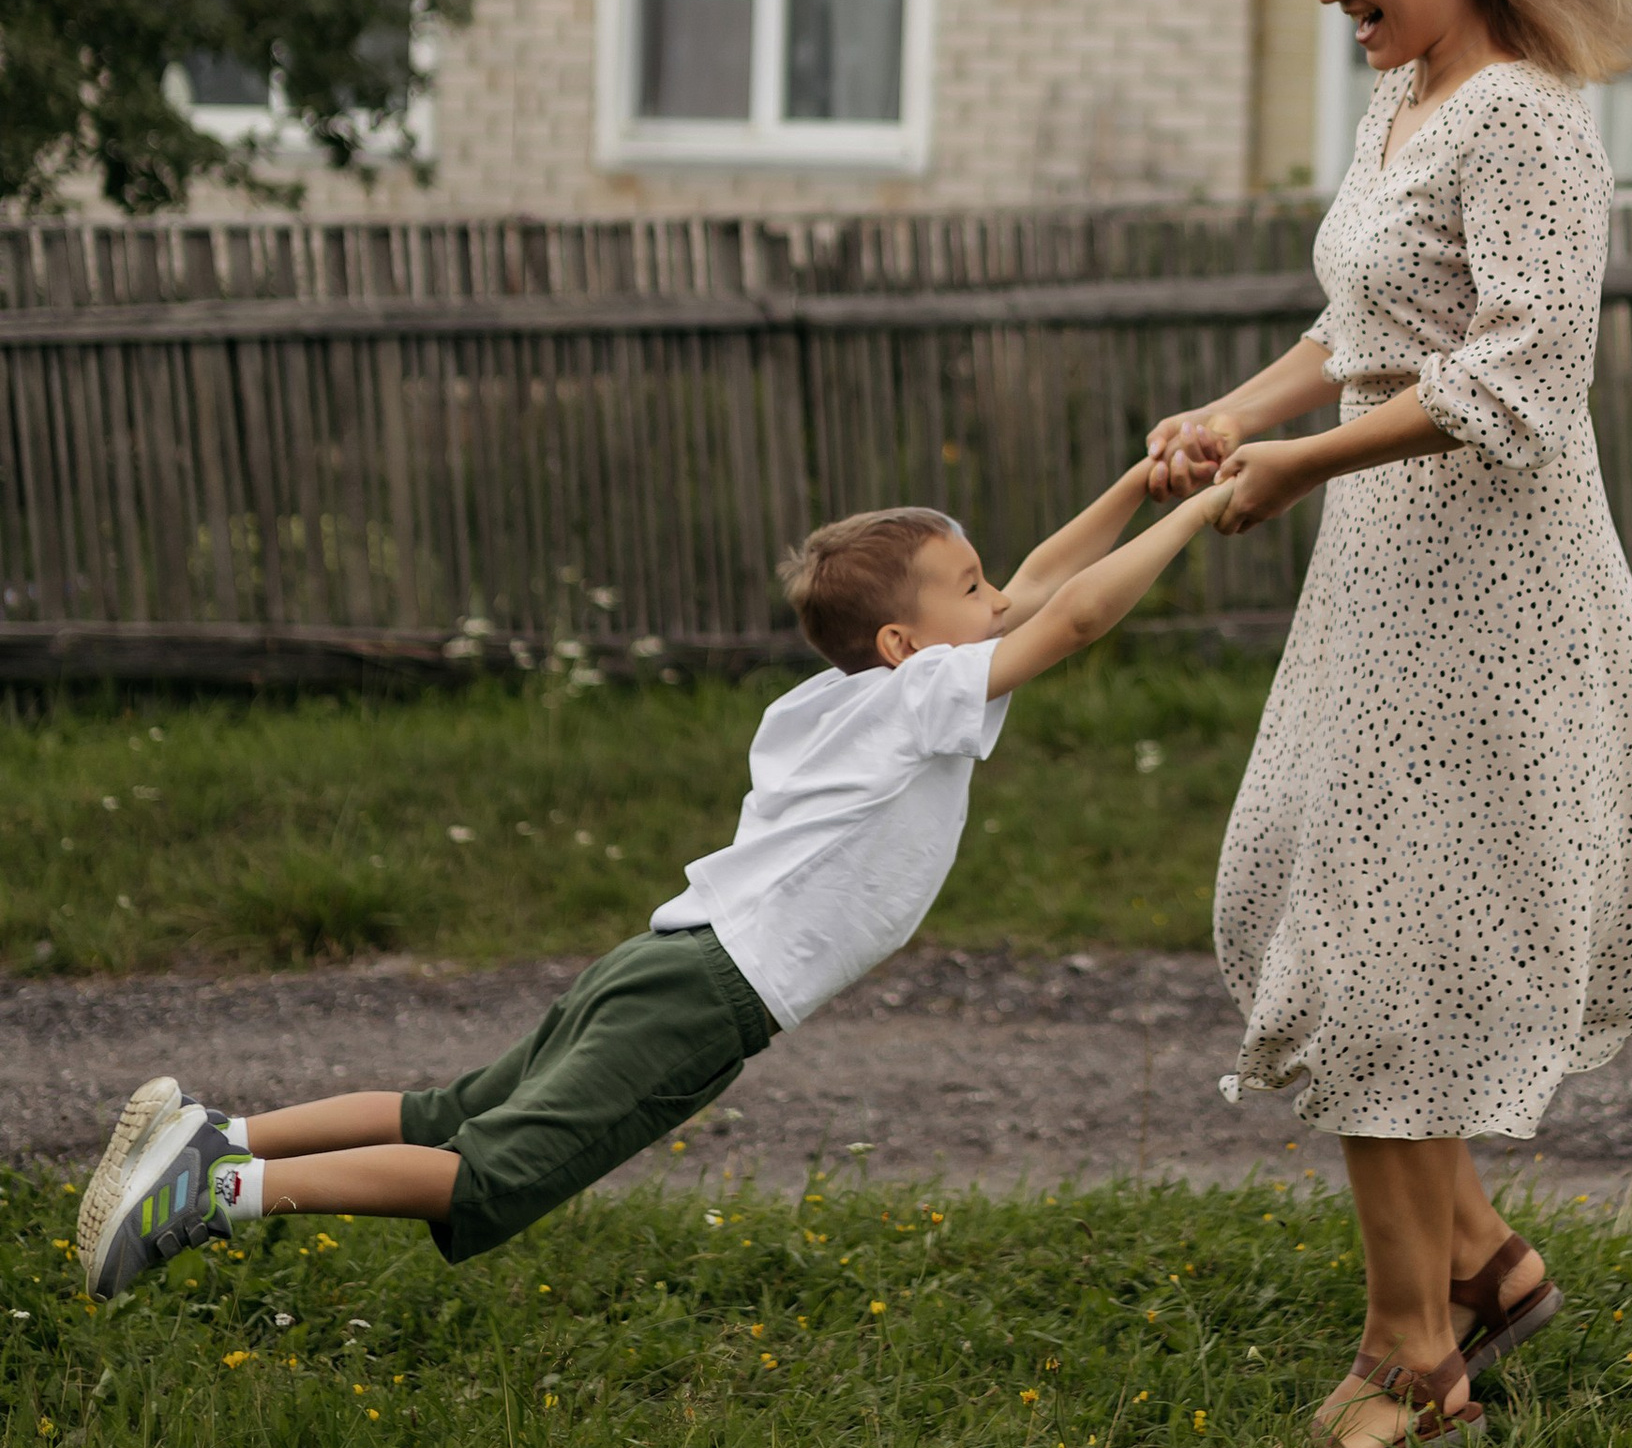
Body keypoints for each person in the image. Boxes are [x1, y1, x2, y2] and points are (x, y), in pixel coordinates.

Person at [1149, 0, 1632, 1448]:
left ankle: (1416, 1352)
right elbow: (1361, 321)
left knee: (1379, 950)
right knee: (1351, 908)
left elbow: (1518, 377)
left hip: (1485, 583)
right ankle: (1485, 1262)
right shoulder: (1407, 110)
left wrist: (1307, 459)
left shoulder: (1525, 119)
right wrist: (1235, 418)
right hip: (1378, 575)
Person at [79, 459, 1230, 1299]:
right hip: (708, 996)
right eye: (969, 590)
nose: (997, 603)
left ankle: (217, 1129)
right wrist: (1206, 512)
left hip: (668, 952)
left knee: (454, 1111)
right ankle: (218, 1192)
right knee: (493, 1171)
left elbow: (1036, 585)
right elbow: (1071, 613)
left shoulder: (854, 693)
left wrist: (1140, 485)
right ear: (904, 644)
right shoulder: (922, 696)